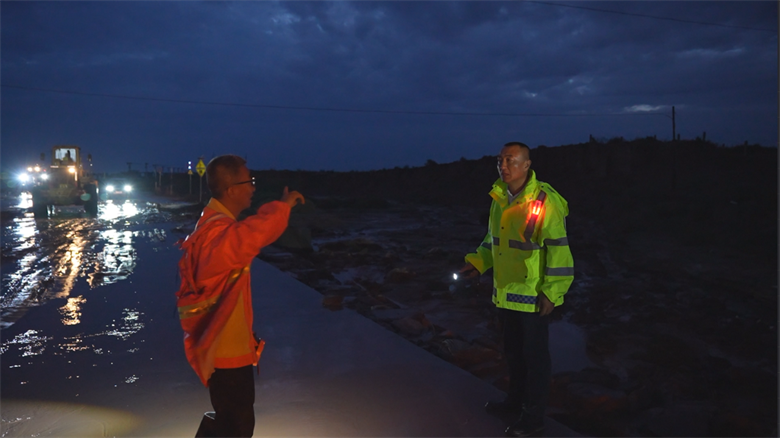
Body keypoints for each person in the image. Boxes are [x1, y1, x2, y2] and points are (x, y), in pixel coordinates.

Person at [175, 154, 304, 438]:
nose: (253, 188)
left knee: (230, 420)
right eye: (250, 181)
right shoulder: (217, 234)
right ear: (232, 189)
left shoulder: (213, 225)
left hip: (223, 342)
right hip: (225, 349)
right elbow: (252, 236)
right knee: (237, 425)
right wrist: (282, 208)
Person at [461, 142, 573, 438]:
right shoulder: (499, 197)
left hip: (532, 296)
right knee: (513, 353)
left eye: (510, 160)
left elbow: (559, 251)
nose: (503, 166)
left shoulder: (543, 200)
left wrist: (553, 292)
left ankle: (533, 418)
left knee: (535, 360)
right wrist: (477, 263)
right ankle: (514, 404)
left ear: (526, 165)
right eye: (500, 160)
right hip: (505, 293)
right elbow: (492, 241)